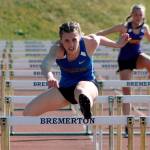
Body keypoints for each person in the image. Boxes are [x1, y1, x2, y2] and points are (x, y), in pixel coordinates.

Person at [23, 21, 129, 120]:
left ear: (80, 38)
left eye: (74, 39)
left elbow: (99, 38)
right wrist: (49, 76)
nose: (71, 45)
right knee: (27, 113)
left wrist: (117, 44)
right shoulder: (57, 49)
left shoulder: (89, 43)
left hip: (88, 85)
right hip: (65, 89)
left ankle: (85, 107)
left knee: (80, 90)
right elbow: (45, 64)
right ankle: (82, 101)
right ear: (61, 41)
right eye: (67, 41)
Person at [96, 4, 150, 137]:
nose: (137, 17)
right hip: (125, 61)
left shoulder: (145, 28)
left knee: (148, 60)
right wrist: (90, 37)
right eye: (135, 14)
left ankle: (148, 80)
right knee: (127, 92)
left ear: (143, 16)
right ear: (131, 15)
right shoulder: (124, 27)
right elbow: (103, 33)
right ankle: (127, 125)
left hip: (137, 57)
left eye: (140, 15)